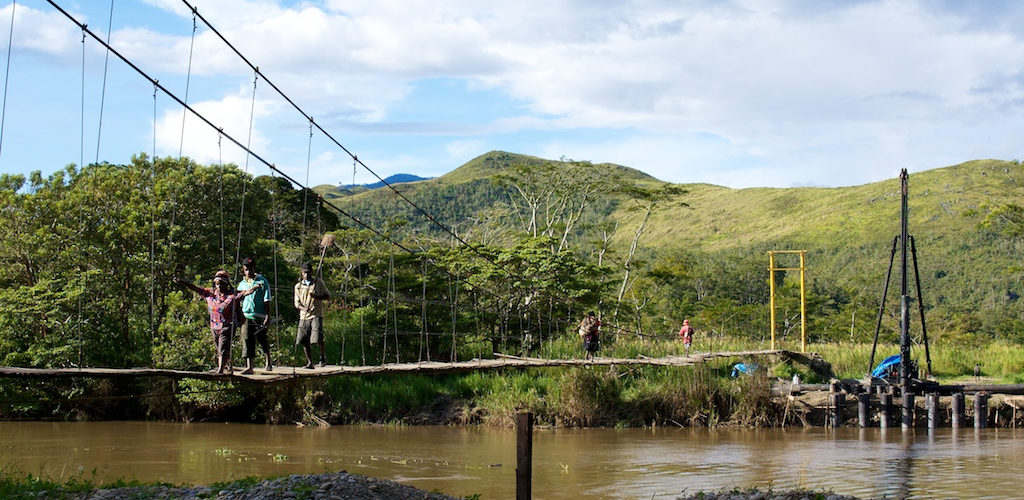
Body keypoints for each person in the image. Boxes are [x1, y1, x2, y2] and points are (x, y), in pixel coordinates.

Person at [173, 270, 262, 374]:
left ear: (226, 284)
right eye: (217, 284)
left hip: (227, 326)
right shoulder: (210, 294)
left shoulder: (232, 295)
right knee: (220, 349)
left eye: (221, 284)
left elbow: (246, 292)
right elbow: (195, 288)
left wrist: (255, 287)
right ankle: (229, 367)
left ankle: (220, 371)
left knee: (223, 347)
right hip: (214, 326)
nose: (219, 286)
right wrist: (183, 282)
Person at [237, 257, 273, 374]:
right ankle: (250, 366)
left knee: (262, 339)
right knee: (247, 339)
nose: (249, 272)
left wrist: (267, 315)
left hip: (260, 315)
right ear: (243, 270)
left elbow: (267, 299)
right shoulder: (242, 284)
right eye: (246, 270)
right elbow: (238, 300)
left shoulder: (262, 281)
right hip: (246, 315)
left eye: (250, 269)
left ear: (254, 268)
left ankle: (268, 361)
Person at [294, 262, 331, 368]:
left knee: (317, 338)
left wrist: (317, 296)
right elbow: (296, 303)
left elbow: (328, 296)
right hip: (304, 315)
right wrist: (303, 308)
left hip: (316, 314)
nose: (306, 275)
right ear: (302, 273)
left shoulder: (318, 283)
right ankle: (310, 362)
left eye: (308, 273)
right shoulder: (298, 286)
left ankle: (322, 356)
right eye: (305, 273)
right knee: (304, 340)